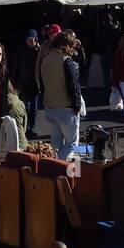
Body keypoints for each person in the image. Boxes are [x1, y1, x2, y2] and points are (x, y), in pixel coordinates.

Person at [39, 30, 84, 160]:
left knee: (56, 144)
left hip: (50, 106)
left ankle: (54, 168)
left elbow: (42, 84)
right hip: (66, 108)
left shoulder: (45, 60)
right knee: (72, 144)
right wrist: (76, 107)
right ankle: (61, 166)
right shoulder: (66, 61)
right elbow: (74, 87)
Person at [10, 30, 41, 127]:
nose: (30, 42)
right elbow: (16, 66)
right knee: (25, 106)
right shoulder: (21, 51)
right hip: (23, 83)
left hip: (35, 83)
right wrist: (13, 82)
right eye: (28, 40)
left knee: (34, 108)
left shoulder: (39, 51)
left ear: (36, 39)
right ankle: (26, 126)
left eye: (31, 40)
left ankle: (32, 126)